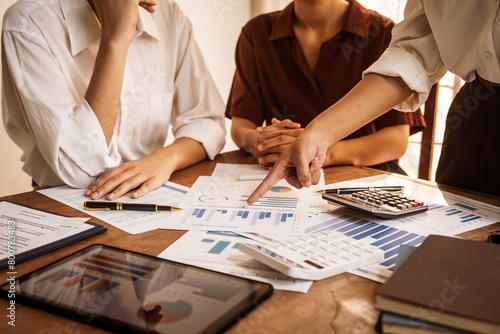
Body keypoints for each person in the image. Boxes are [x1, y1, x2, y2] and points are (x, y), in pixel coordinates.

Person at [247, 0, 500, 204]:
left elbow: (396, 141)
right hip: (477, 119)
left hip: (374, 174)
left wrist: (323, 148)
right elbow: (413, 55)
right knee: (461, 251)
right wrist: (315, 137)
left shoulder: (378, 29)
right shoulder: (256, 32)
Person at [2, 0, 226, 201]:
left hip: (148, 194)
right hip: (63, 203)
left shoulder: (167, 13)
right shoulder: (27, 23)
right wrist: (115, 39)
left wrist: (165, 159)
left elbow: (208, 123)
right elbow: (81, 171)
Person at [226, 0, 425, 174]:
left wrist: (318, 152)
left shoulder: (382, 32)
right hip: (280, 172)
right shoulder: (256, 33)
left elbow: (396, 141)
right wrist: (261, 143)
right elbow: (241, 124)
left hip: (366, 177)